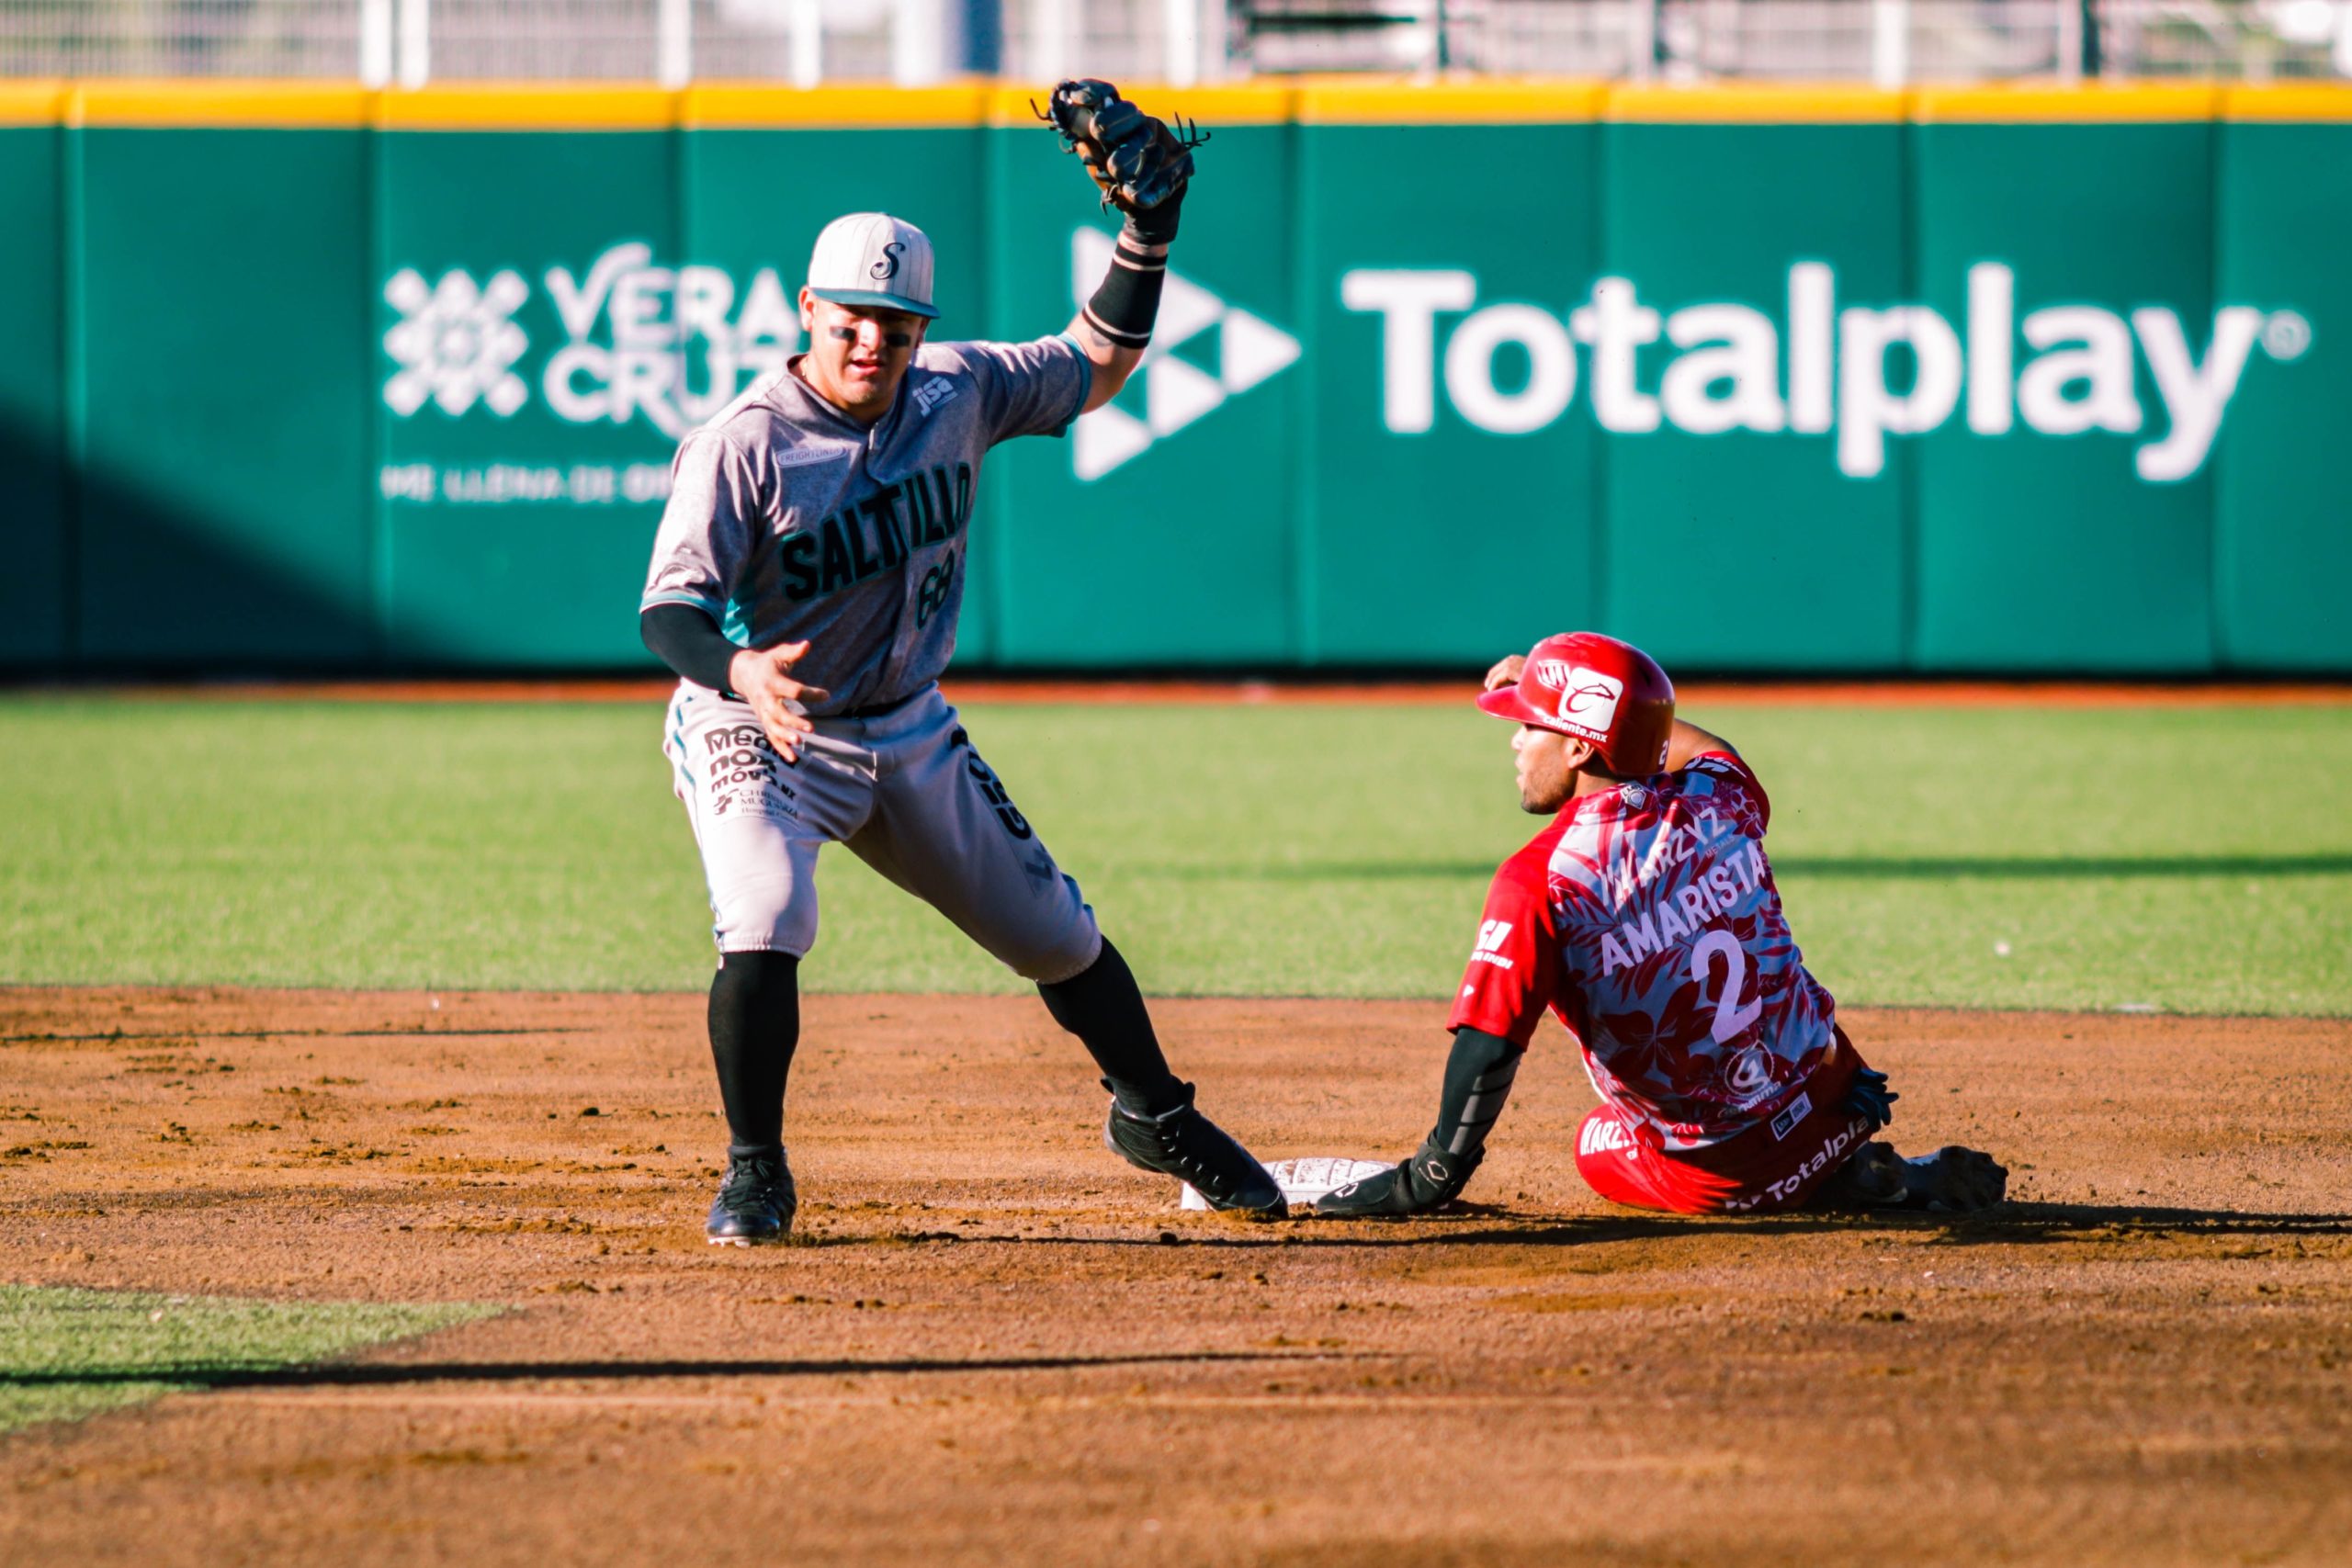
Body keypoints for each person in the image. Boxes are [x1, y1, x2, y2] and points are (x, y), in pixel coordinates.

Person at [639, 85, 1284, 1244]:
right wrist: (737, 678)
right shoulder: (744, 441)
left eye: (894, 320)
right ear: (806, 310)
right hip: (763, 725)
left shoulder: (959, 391)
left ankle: (1157, 1114)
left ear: (921, 327)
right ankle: (754, 1168)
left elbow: (1097, 362)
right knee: (767, 909)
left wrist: (1147, 239)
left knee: (1056, 935)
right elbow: (669, 611)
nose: (870, 339)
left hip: (907, 724)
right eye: (848, 316)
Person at [1316, 631, 2007, 1220]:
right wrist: (1586, 698)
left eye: (1529, 725)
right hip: (1840, 1100)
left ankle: (1810, 1187)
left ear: (1582, 749)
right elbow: (1696, 744)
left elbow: (1489, 1049)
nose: (1516, 742)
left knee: (1594, 1142)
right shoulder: (1719, 795)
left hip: (1732, 1174)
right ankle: (1845, 1166)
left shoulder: (1539, 881)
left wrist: (1429, 1176)